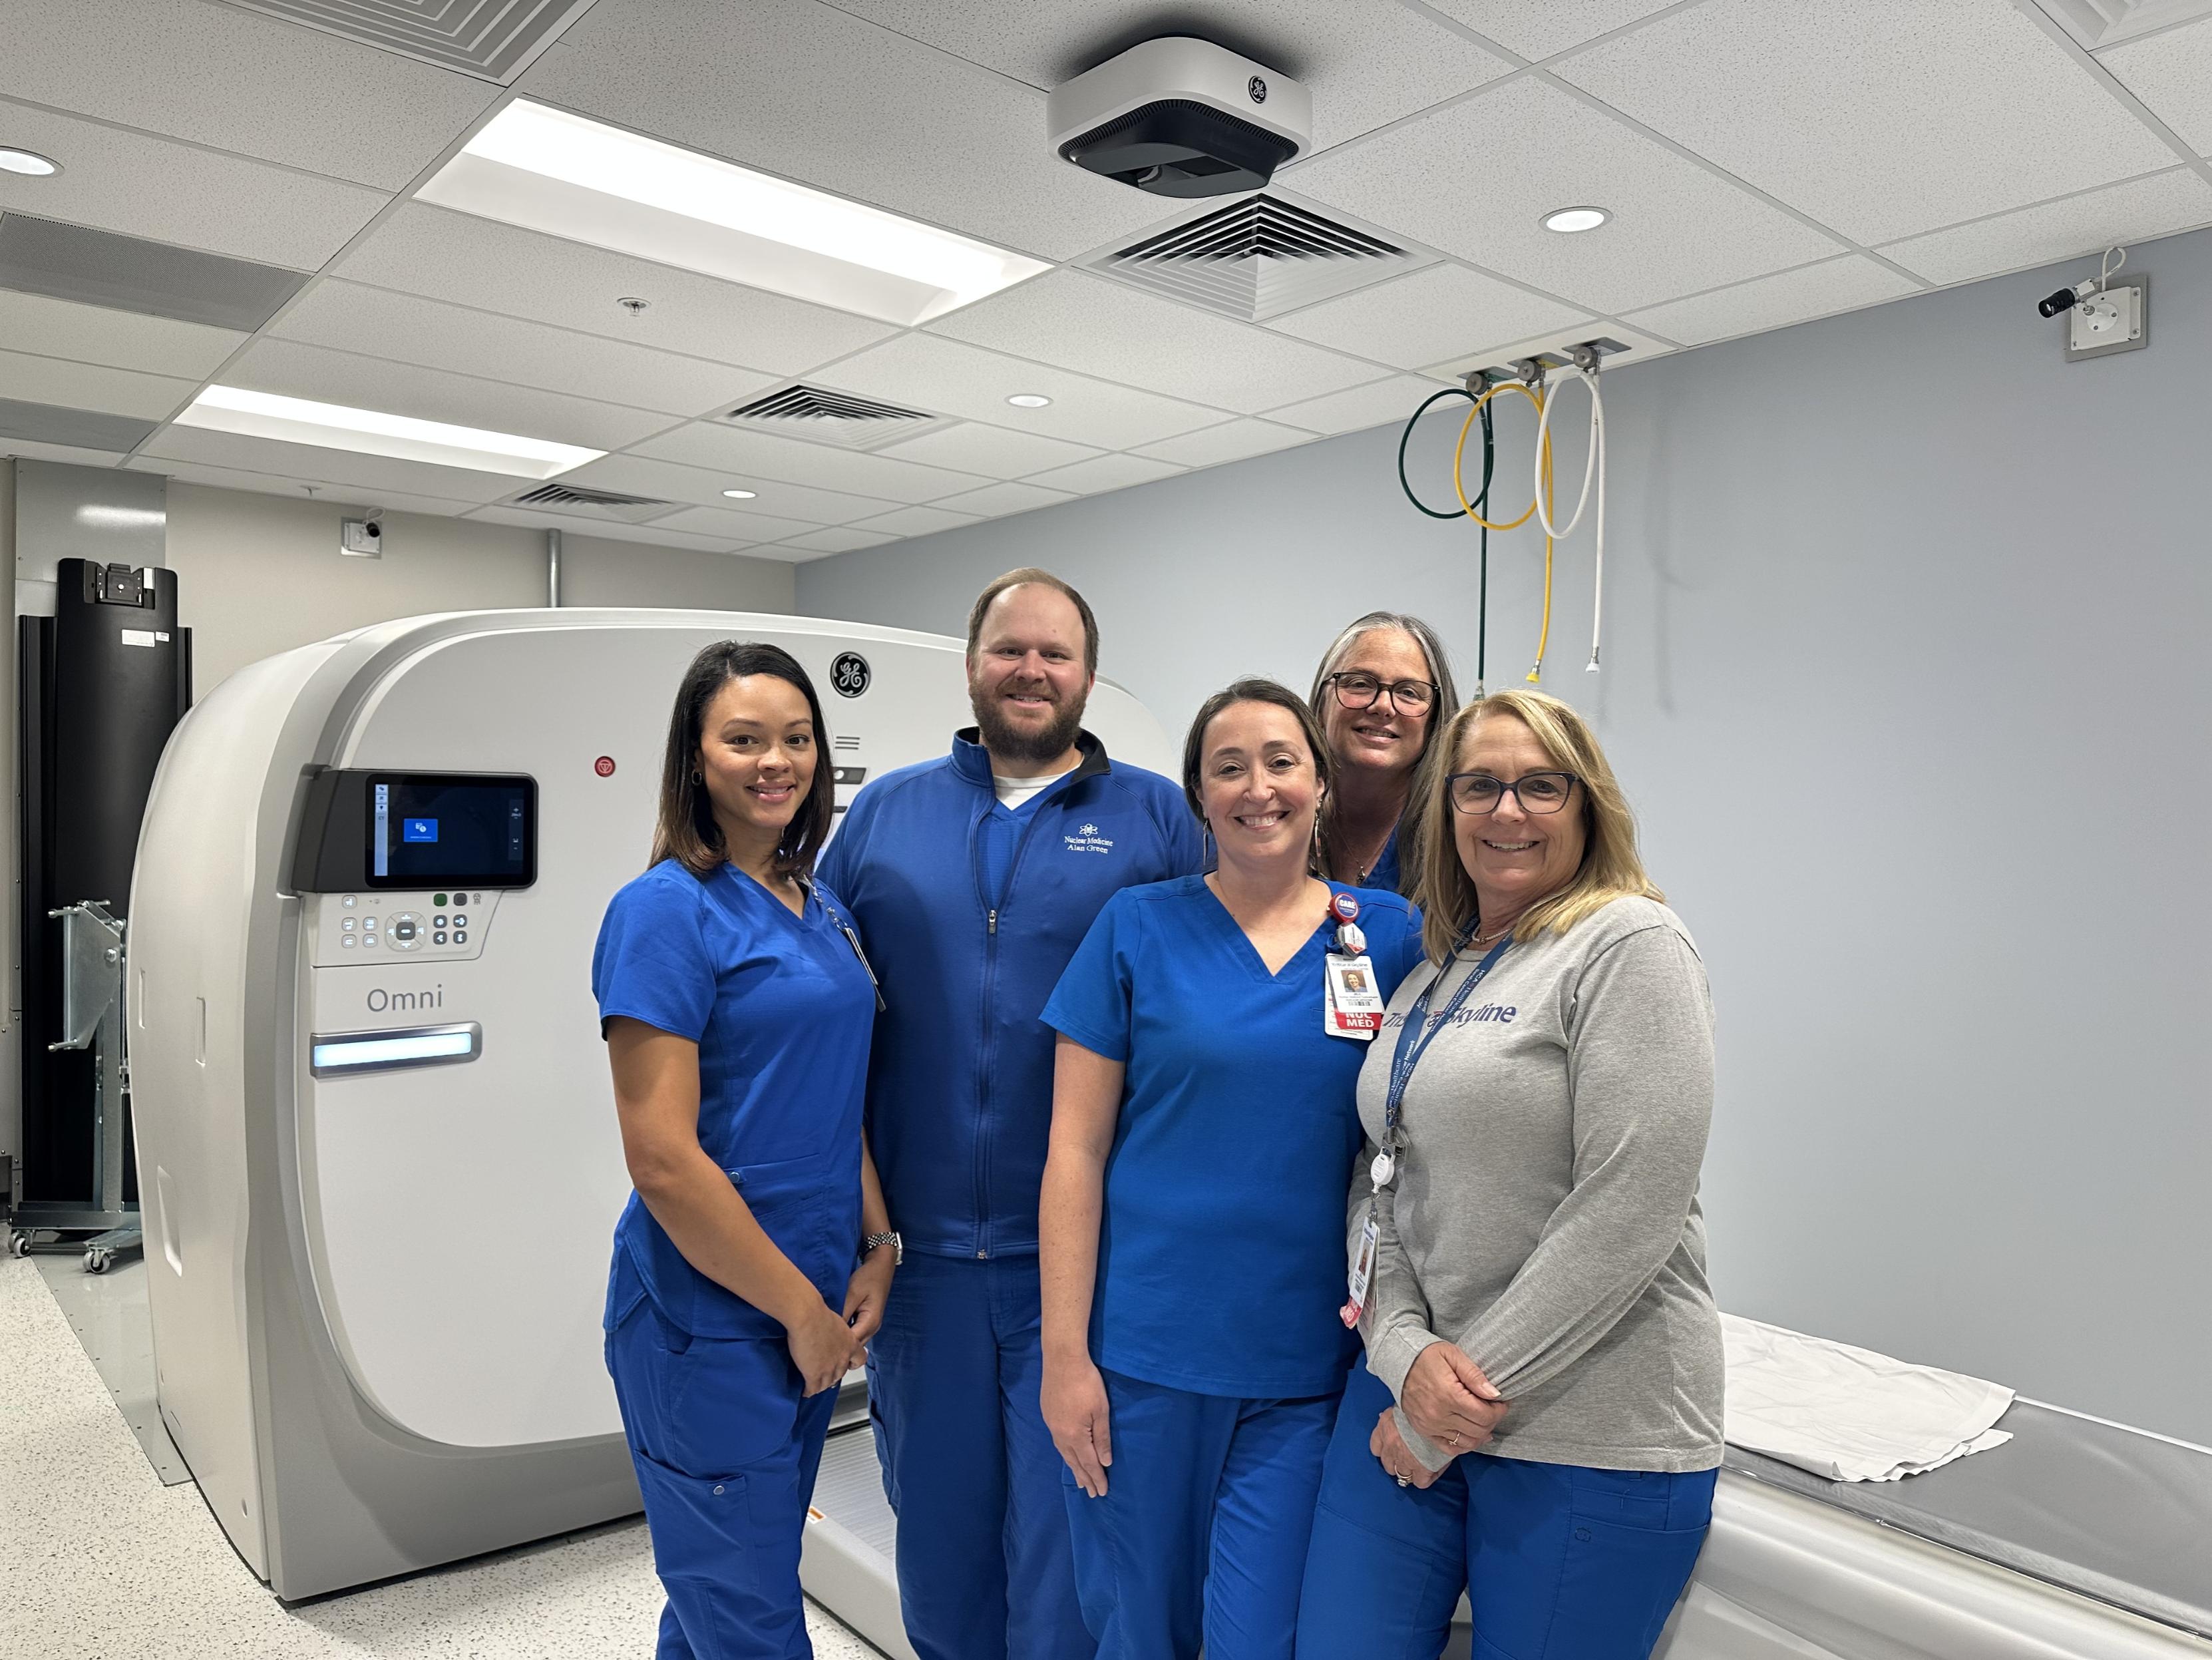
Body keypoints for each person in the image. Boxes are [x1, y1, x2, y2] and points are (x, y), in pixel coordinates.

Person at [815, 569, 1203, 1660]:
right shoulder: (887, 814)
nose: (1030, 670)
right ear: (972, 662)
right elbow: (827, 1021)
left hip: (1078, 1275)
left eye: (1055, 653)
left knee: (1065, 1569)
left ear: (1087, 674)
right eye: (1008, 649)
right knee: (938, 1564)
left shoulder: (1156, 820)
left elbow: (1211, 1011)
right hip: (920, 1269)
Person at [1296, 688, 1722, 1660]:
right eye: (1480, 785)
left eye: (1541, 785)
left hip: (1587, 1424)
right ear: (1444, 810)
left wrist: (1455, 1401)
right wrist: (1402, 1350)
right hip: (1409, 1394)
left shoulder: (1628, 944)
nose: (1508, 810)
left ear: (1587, 804)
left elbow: (1629, 1207)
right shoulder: (1438, 970)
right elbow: (1383, 1174)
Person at [1038, 680, 1427, 1660]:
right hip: (1143, 1361)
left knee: (1260, 1635)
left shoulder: (1387, 935)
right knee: (1139, 1630)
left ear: (1320, 783)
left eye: (1282, 761)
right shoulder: (1135, 928)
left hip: (1303, 1372)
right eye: (1230, 766)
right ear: (1199, 798)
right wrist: (1064, 1358)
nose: (1260, 787)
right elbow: (1073, 1153)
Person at [592, 640, 894, 1660]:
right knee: (753, 1619)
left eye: (797, 737)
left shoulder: (820, 904)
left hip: (807, 1287)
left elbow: (836, 1099)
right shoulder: (662, 911)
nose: (777, 759)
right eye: (745, 738)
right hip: (710, 1317)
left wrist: (879, 1241)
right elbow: (664, 1162)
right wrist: (801, 1314)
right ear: (695, 756)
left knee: (726, 1590)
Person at [1308, 612, 1457, 895]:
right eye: (1360, 683)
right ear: (1320, 706)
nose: (1384, 706)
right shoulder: (1270, 818)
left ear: (1435, 719)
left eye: (1409, 692)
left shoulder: (1459, 839)